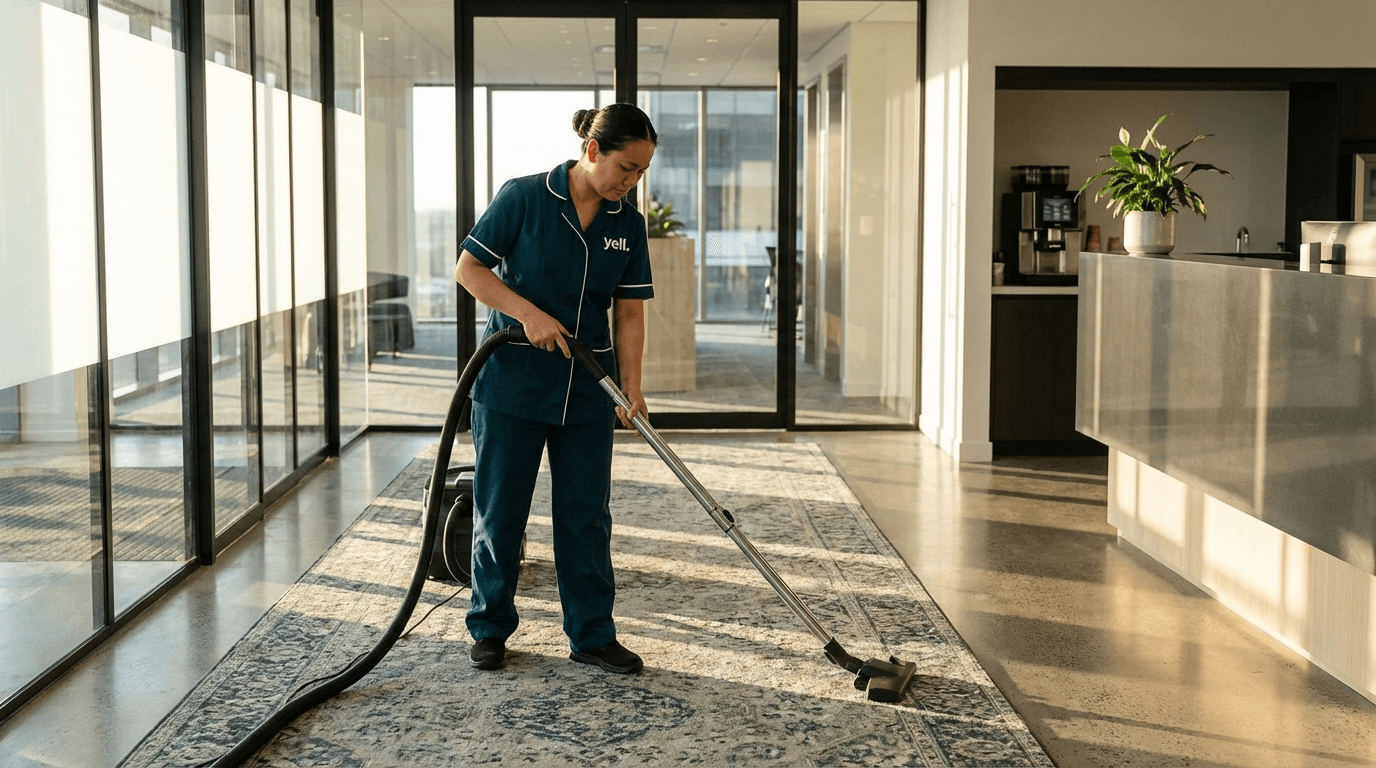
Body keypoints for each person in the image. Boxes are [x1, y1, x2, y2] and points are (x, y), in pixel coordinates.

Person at [452, 103, 657, 674]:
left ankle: (592, 635)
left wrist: (633, 389)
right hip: (512, 382)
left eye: (641, 172)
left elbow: (630, 312)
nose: (631, 182)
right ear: (592, 151)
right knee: (501, 510)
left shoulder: (627, 224)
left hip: (590, 387)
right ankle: (489, 627)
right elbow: (470, 270)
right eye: (626, 167)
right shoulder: (523, 197)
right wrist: (528, 314)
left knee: (586, 516)